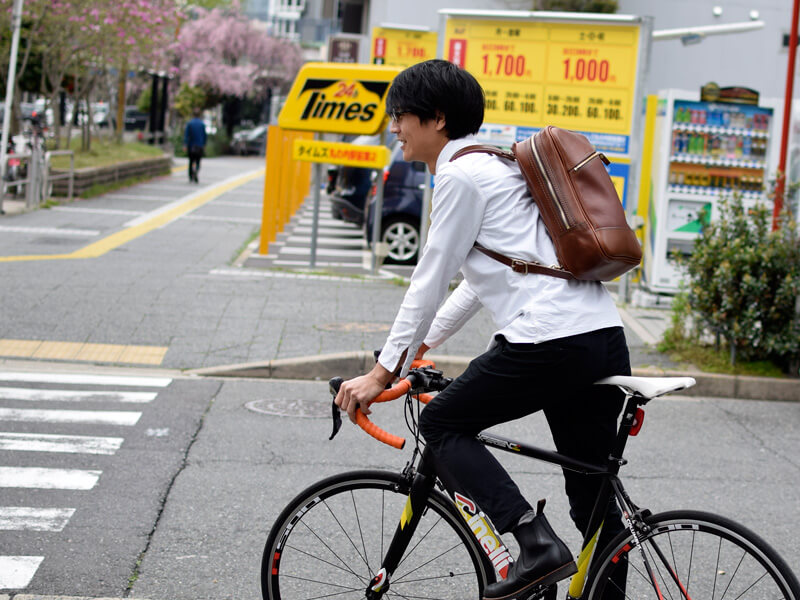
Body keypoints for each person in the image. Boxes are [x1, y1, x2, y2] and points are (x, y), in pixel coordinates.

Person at [334, 59, 631, 600]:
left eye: (399, 115)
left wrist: (382, 372)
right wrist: (422, 345)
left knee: (443, 423)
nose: (393, 127)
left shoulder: (459, 175)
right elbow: (481, 277)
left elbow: (429, 278)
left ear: (437, 119)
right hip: (599, 336)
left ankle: (535, 545)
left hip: (549, 339)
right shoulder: (497, 165)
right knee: (591, 496)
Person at [183, 108, 207, 183]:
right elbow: (204, 136)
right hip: (199, 146)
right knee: (198, 161)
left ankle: (191, 176)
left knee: (191, 161)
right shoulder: (202, 124)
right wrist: (204, 145)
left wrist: (185, 144)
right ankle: (196, 171)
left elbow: (186, 135)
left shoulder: (190, 123)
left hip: (191, 145)